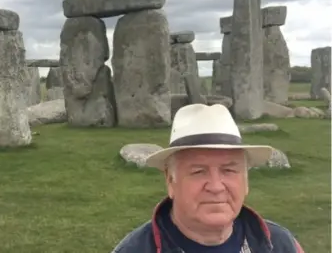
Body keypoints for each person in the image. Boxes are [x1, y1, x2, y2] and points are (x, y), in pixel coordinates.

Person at [112, 104, 304, 253]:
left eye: (229, 170)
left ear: (245, 181)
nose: (216, 186)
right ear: (170, 181)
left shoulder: (281, 244)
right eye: (198, 172)